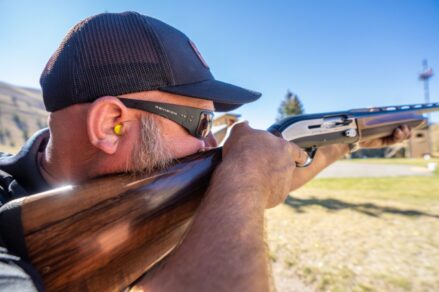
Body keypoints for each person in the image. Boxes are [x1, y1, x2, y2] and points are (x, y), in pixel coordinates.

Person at [0, 12, 411, 292]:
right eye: (200, 124)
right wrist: (243, 178)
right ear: (112, 124)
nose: (212, 146)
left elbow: (280, 172)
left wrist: (358, 137)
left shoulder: (141, 190)